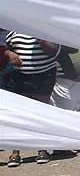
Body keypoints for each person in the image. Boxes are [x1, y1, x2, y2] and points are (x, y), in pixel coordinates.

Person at [3, 31, 62, 167]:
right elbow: (5, 48)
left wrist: (39, 36)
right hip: (20, 77)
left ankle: (42, 149)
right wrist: (9, 53)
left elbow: (53, 52)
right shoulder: (13, 31)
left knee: (41, 114)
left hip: (44, 75)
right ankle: (15, 152)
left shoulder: (46, 31)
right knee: (18, 115)